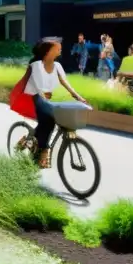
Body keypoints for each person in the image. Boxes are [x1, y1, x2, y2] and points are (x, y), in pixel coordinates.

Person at [25, 39, 88, 168]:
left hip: (50, 98)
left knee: (51, 121)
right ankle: (43, 151)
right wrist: (43, 95)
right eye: (57, 48)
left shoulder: (57, 65)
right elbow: (36, 84)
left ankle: (29, 140)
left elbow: (65, 82)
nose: (60, 51)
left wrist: (77, 96)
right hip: (37, 97)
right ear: (48, 51)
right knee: (48, 122)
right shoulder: (36, 64)